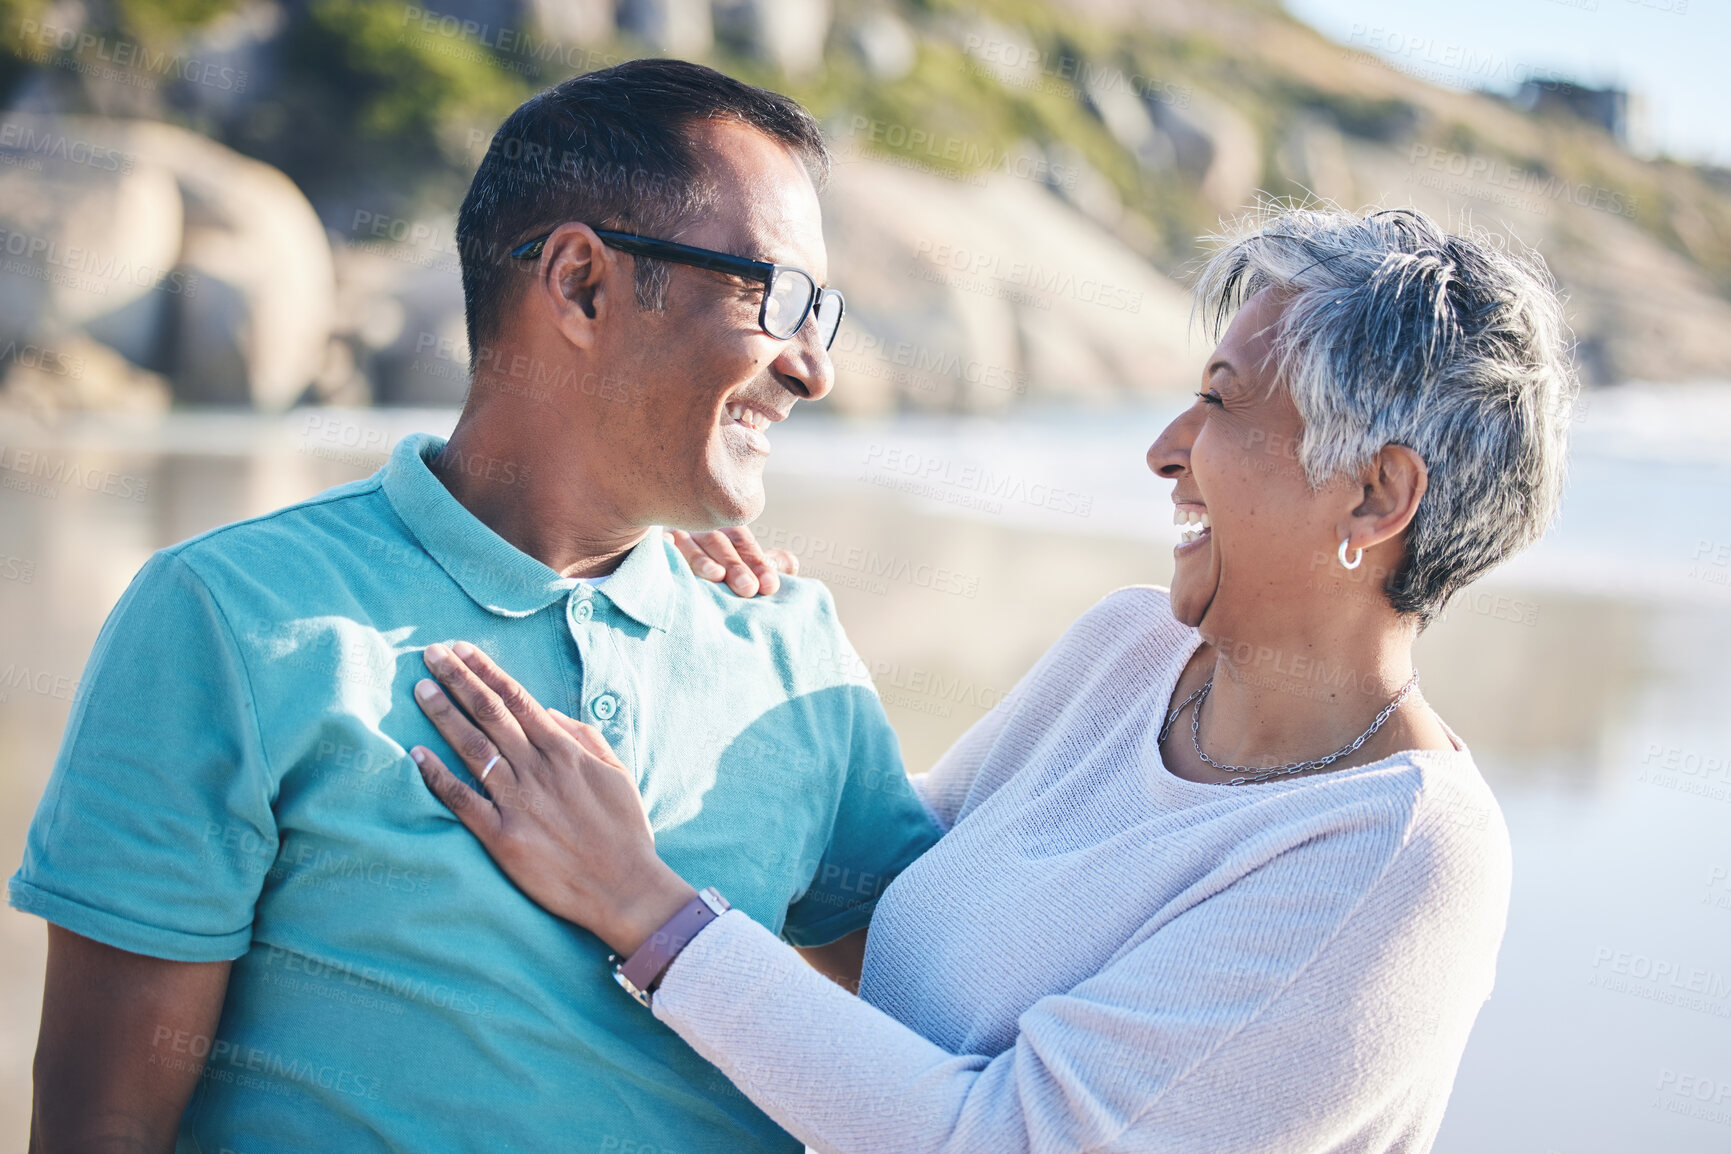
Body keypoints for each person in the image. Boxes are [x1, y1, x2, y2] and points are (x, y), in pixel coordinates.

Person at [407, 206, 1578, 1153]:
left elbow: (1004, 1136)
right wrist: (721, 630)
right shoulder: (1129, 655)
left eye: (1220, 400)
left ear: (1376, 496)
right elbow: (863, 887)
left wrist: (646, 910)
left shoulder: (1400, 855)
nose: (1167, 444)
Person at [9, 60, 943, 1151]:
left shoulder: (790, 646)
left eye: (824, 312)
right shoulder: (231, 618)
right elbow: (102, 1123)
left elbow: (958, 1048)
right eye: (774, 296)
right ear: (583, 284)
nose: (813, 366)